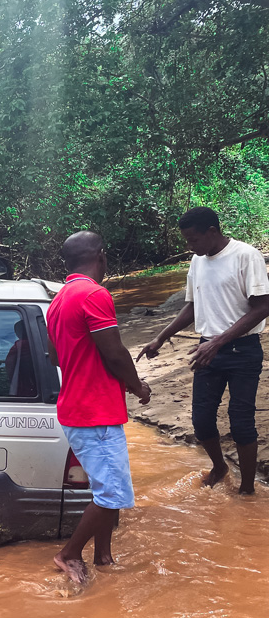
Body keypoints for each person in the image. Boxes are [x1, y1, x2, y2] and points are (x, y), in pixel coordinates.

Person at [136, 207, 269, 495]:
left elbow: (262, 307)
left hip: (243, 350)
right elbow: (193, 306)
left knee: (241, 421)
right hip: (208, 349)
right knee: (201, 420)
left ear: (212, 231)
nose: (190, 246)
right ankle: (219, 466)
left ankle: (247, 491)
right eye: (186, 240)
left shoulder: (246, 256)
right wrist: (161, 337)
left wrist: (219, 342)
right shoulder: (198, 262)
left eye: (193, 239)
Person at [47, 231, 152, 585]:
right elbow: (115, 352)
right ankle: (69, 554)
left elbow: (54, 356)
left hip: (78, 406)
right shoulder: (93, 293)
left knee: (105, 490)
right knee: (113, 493)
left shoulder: (59, 300)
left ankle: (103, 556)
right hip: (95, 411)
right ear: (101, 256)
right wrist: (138, 387)